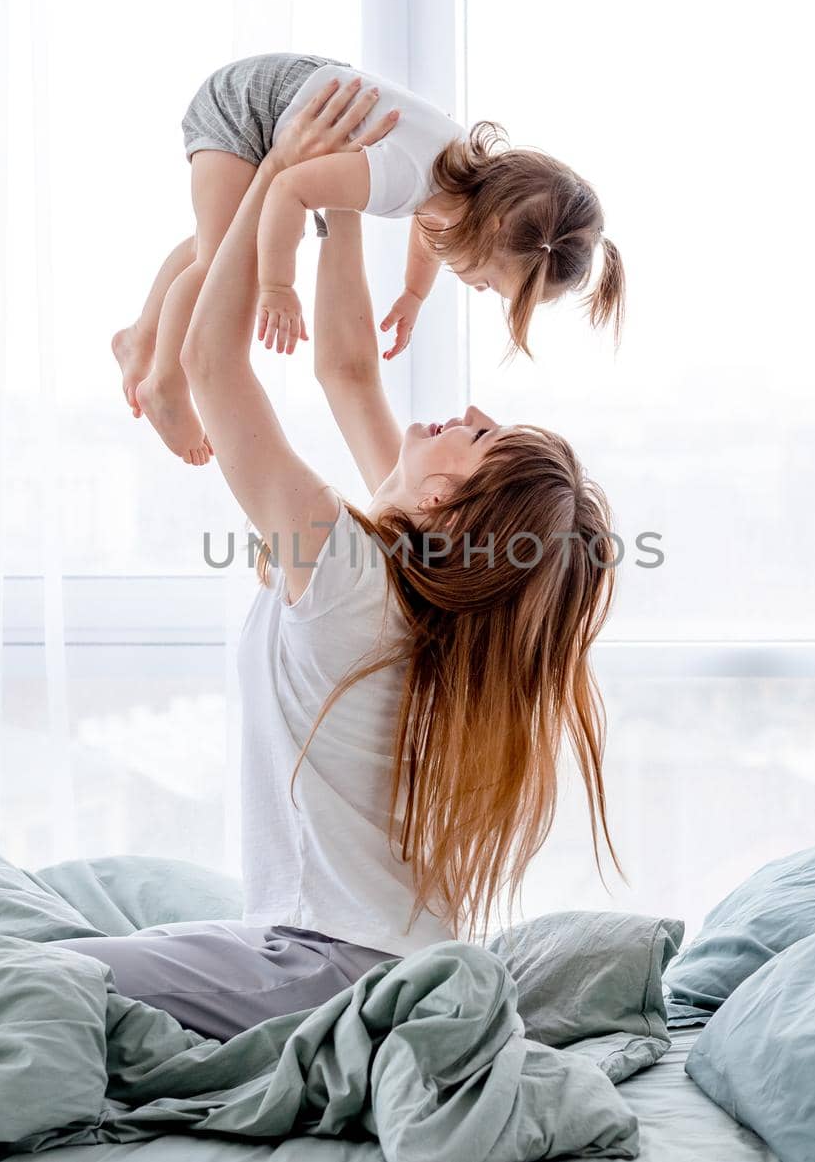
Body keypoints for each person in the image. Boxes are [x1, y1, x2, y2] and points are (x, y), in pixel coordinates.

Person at [59, 79, 622, 1041]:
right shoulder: (405, 578)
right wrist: (340, 209)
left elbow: (211, 369)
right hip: (378, 965)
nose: (473, 411)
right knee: (21, 966)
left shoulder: (349, 570)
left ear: (452, 503)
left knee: (11, 978)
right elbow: (347, 369)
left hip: (323, 970)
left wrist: (280, 172)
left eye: (484, 438)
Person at [110, 52, 626, 465]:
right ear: (491, 226)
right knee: (224, 263)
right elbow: (289, 188)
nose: (476, 288)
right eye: (489, 281)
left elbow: (430, 225)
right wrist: (278, 288)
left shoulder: (458, 173)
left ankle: (140, 337)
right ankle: (166, 385)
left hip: (288, 89)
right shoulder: (402, 176)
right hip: (248, 111)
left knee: (212, 240)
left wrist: (413, 294)